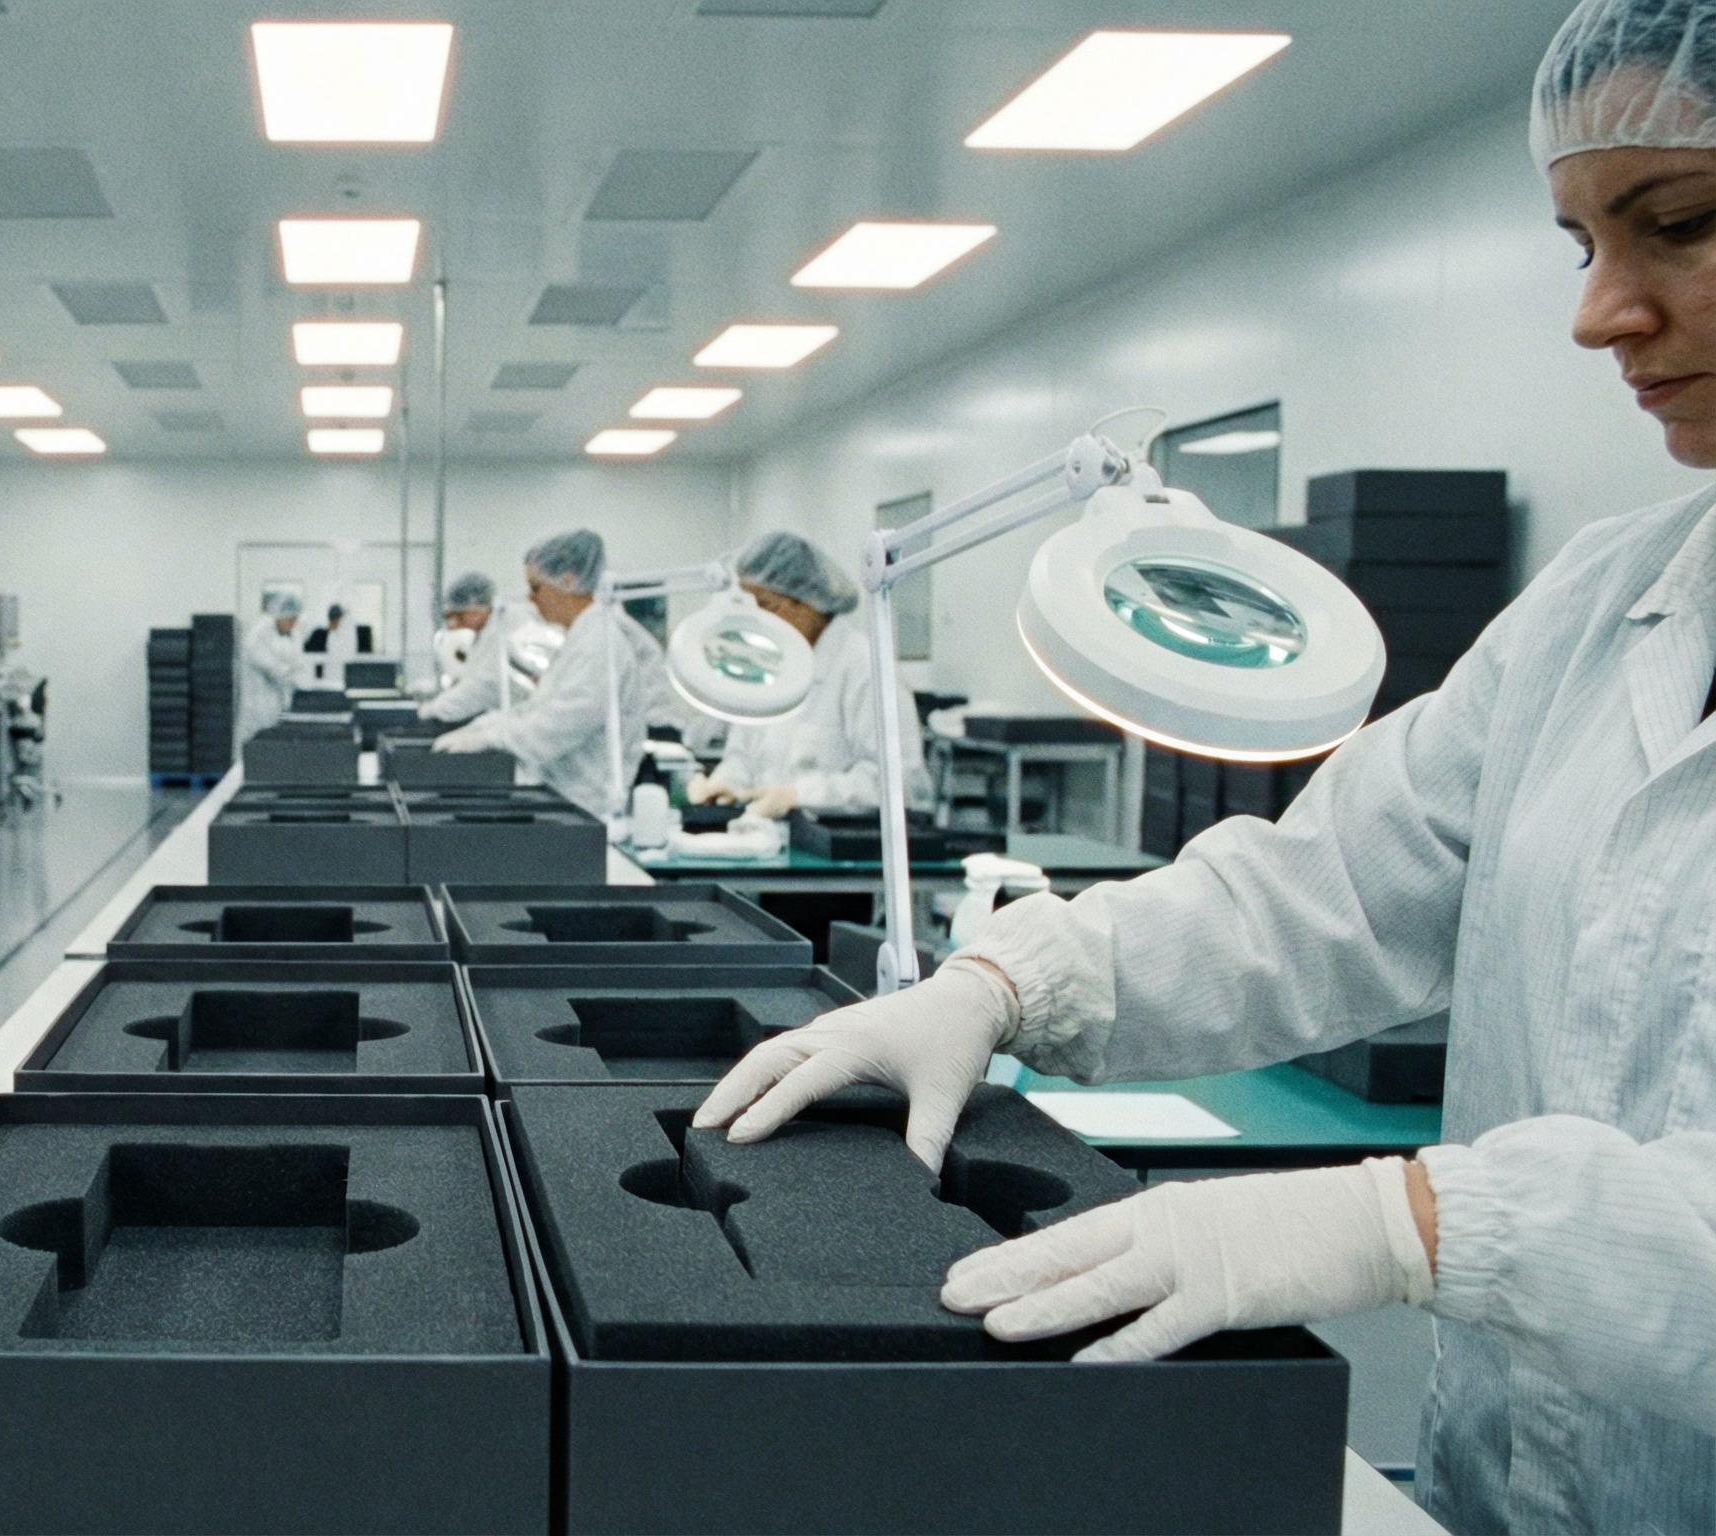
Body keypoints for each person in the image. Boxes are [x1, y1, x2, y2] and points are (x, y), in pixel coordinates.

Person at [696, 4, 1716, 1526]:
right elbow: (1320, 888)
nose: (1599, 313)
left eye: (1681, 227)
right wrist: (1006, 986)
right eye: (1578, 245)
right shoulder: (1598, 604)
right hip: (1509, 1483)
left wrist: (1415, 1221)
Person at [686, 531, 930, 820]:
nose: (758, 619)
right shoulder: (768, 663)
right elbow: (742, 757)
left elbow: (900, 783)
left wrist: (799, 796)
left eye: (766, 605)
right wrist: (724, 785)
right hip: (768, 841)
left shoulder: (864, 667)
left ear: (807, 603)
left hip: (841, 853)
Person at [431, 530, 663, 818]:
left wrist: (495, 736)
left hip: (586, 807)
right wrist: (488, 724)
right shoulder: (581, 637)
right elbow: (540, 708)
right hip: (563, 799)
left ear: (567, 581)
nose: (530, 599)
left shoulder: (598, 644)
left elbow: (556, 727)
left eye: (536, 587)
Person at [420, 571, 513, 723]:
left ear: (473, 609)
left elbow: (480, 689)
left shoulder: (501, 634)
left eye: (457, 615)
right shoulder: (486, 634)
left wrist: (430, 710)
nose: (453, 624)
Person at [235, 592, 308, 746]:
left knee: (273, 750)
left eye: (296, 619)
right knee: (254, 748)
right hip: (257, 704)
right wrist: (294, 677)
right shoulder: (258, 635)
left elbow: (299, 664)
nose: (294, 623)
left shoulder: (292, 634)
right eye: (291, 619)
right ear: (280, 615)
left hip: (279, 703)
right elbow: (273, 669)